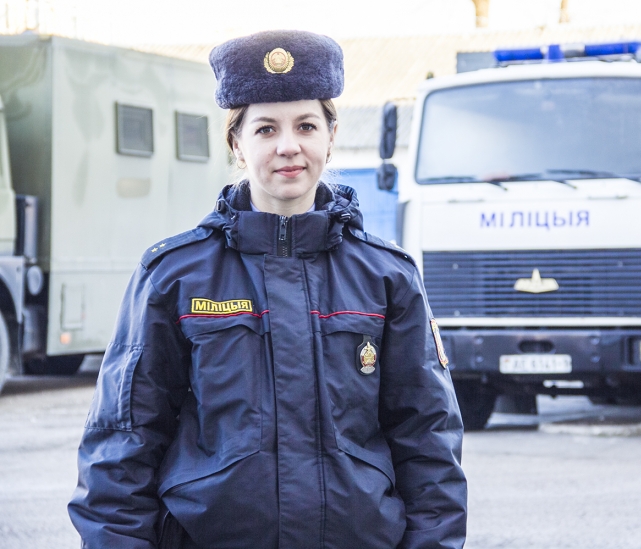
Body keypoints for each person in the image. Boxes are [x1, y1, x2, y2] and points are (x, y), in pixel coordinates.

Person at [68, 30, 467, 549]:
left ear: (330, 135)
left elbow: (427, 442)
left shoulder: (386, 277)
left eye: (305, 125)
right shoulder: (175, 275)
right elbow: (123, 443)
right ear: (236, 141)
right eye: (265, 129)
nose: (288, 146)